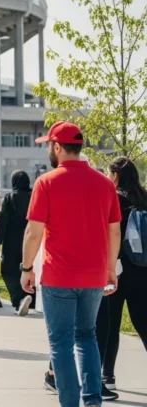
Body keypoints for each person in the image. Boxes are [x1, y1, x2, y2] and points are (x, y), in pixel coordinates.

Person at [20, 121, 121, 407]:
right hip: (94, 276)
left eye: (48, 146)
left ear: (56, 146)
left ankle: (69, 403)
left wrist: (27, 268)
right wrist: (110, 269)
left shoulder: (47, 182)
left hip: (58, 276)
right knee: (87, 336)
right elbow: (115, 230)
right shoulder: (104, 183)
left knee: (61, 343)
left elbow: (33, 231)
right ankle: (93, 401)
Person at [101, 156, 147, 392]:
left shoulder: (114, 199)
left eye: (108, 173)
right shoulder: (145, 198)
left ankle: (107, 375)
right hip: (143, 270)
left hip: (116, 270)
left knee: (111, 324)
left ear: (116, 176)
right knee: (143, 322)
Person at [0, 170, 35, 315]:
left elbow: (3, 221)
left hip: (12, 240)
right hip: (31, 239)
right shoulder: (35, 196)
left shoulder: (10, 198)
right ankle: (31, 298)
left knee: (9, 271)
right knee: (29, 268)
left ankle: (18, 300)